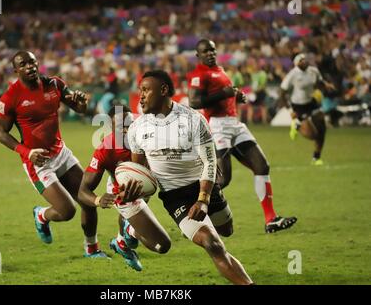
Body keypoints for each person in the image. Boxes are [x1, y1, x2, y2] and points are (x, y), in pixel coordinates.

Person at [129, 69, 253, 285]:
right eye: (140, 90)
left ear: (164, 90)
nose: (141, 96)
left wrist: (203, 199)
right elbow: (139, 171)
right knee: (212, 244)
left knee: (227, 230)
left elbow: (210, 162)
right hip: (176, 197)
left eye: (146, 90)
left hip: (204, 186)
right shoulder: (136, 129)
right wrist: (131, 191)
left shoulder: (193, 119)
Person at [0, 51, 108, 258]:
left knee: (88, 200)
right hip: (38, 162)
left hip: (61, 153)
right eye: (23, 64)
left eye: (32, 62)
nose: (30, 66)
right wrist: (26, 152)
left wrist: (82, 101)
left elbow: (80, 108)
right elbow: (0, 132)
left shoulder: (54, 85)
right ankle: (42, 215)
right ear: (16, 70)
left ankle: (92, 249)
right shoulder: (11, 97)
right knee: (67, 211)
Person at [187, 39, 297, 233]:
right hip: (217, 125)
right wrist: (223, 94)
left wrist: (234, 95)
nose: (211, 53)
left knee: (262, 166)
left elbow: (223, 93)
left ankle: (270, 219)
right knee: (223, 179)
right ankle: (191, 206)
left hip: (235, 123)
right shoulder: (199, 75)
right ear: (198, 55)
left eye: (213, 50)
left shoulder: (220, 70)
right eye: (206, 51)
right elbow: (195, 102)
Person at [79, 105, 171, 271]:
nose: (128, 129)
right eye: (122, 127)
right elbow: (82, 191)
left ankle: (122, 241)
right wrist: (98, 200)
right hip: (122, 192)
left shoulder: (147, 134)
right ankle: (127, 235)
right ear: (112, 129)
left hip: (144, 184)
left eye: (131, 124)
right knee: (161, 245)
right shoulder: (106, 149)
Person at [280, 53, 336, 165]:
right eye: (301, 60)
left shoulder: (313, 71)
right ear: (296, 63)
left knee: (322, 129)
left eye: (305, 59)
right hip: (298, 106)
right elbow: (282, 92)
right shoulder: (293, 74)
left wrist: (326, 85)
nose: (304, 61)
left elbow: (319, 81)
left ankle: (316, 157)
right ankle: (297, 125)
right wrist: (290, 111)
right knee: (312, 135)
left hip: (311, 102)